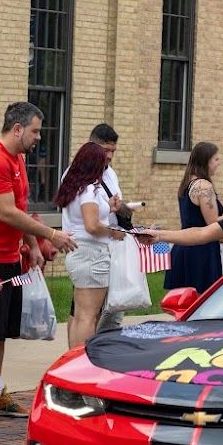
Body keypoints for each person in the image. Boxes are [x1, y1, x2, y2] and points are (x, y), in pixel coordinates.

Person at [0, 102, 76, 421]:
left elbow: (21, 209)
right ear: (17, 129)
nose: (38, 137)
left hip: (8, 256)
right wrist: (51, 236)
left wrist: (33, 246)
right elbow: (6, 212)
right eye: (35, 130)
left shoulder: (16, 160)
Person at [56, 143, 125, 348]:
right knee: (89, 316)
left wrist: (109, 207)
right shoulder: (89, 189)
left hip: (79, 253)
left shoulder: (75, 186)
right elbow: (92, 225)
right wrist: (114, 232)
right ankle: (82, 362)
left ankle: (74, 360)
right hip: (92, 253)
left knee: (79, 315)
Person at [164, 142, 223, 294]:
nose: (219, 162)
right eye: (216, 159)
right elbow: (212, 223)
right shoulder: (204, 186)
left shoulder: (187, 182)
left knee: (183, 304)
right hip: (201, 250)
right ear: (206, 161)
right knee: (201, 303)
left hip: (183, 245)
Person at [88, 124, 131, 335]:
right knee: (86, 313)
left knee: (113, 308)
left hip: (112, 248)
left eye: (113, 150)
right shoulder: (82, 176)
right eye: (106, 150)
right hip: (91, 249)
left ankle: (104, 349)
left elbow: (117, 207)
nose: (110, 156)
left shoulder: (110, 174)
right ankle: (81, 356)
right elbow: (90, 223)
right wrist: (112, 231)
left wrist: (121, 207)